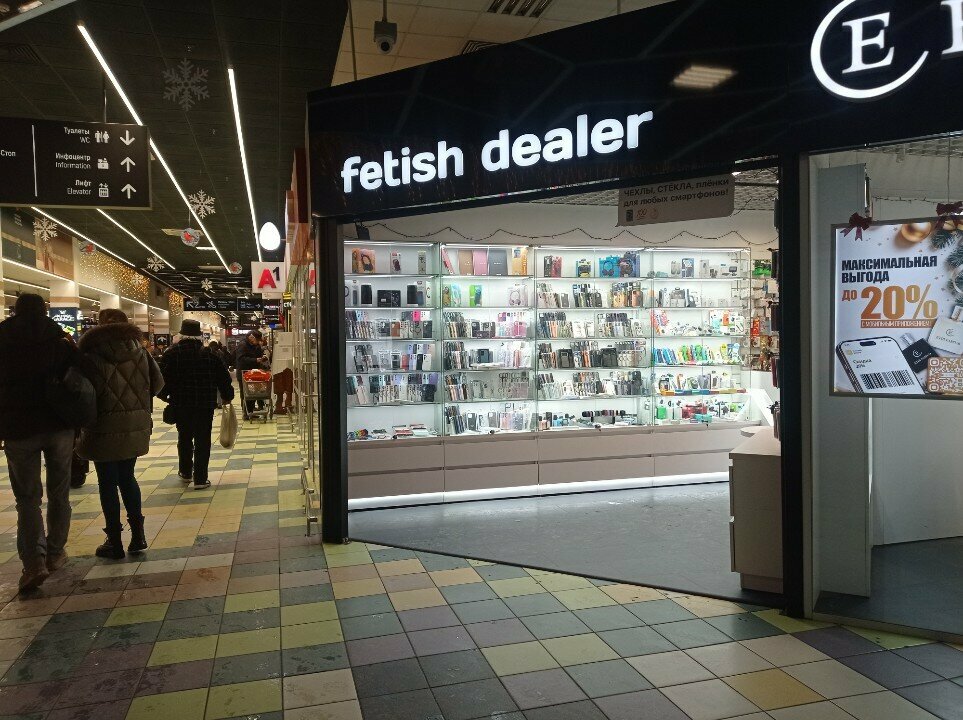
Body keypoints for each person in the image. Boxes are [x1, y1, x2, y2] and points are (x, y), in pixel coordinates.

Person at [0, 294, 80, 592]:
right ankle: (56, 551)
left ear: (15, 311)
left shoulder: (3, 339)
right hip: (59, 424)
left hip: (18, 427)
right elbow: (81, 376)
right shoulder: (60, 339)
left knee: (27, 498)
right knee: (59, 491)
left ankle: (34, 562)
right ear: (44, 310)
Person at [78, 309, 164, 559]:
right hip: (134, 424)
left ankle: (114, 541)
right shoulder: (141, 353)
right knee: (127, 477)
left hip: (102, 425)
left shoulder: (90, 354)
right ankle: (138, 536)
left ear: (100, 325)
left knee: (107, 482)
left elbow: (81, 391)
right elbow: (158, 384)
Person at [159, 320, 234, 489]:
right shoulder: (209, 354)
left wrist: (166, 397)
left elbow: (161, 380)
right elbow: (224, 378)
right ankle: (200, 478)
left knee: (184, 437)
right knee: (203, 439)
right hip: (205, 404)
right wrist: (227, 396)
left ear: (181, 334)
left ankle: (185, 472)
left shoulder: (171, 354)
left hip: (181, 403)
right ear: (199, 336)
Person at [235, 330, 267, 418]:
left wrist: (263, 356)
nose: (258, 342)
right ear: (251, 337)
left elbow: (259, 354)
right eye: (257, 340)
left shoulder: (255, 345)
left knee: (253, 393)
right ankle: (246, 413)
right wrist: (255, 360)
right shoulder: (242, 345)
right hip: (244, 373)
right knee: (245, 393)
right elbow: (241, 359)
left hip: (253, 374)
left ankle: (251, 411)